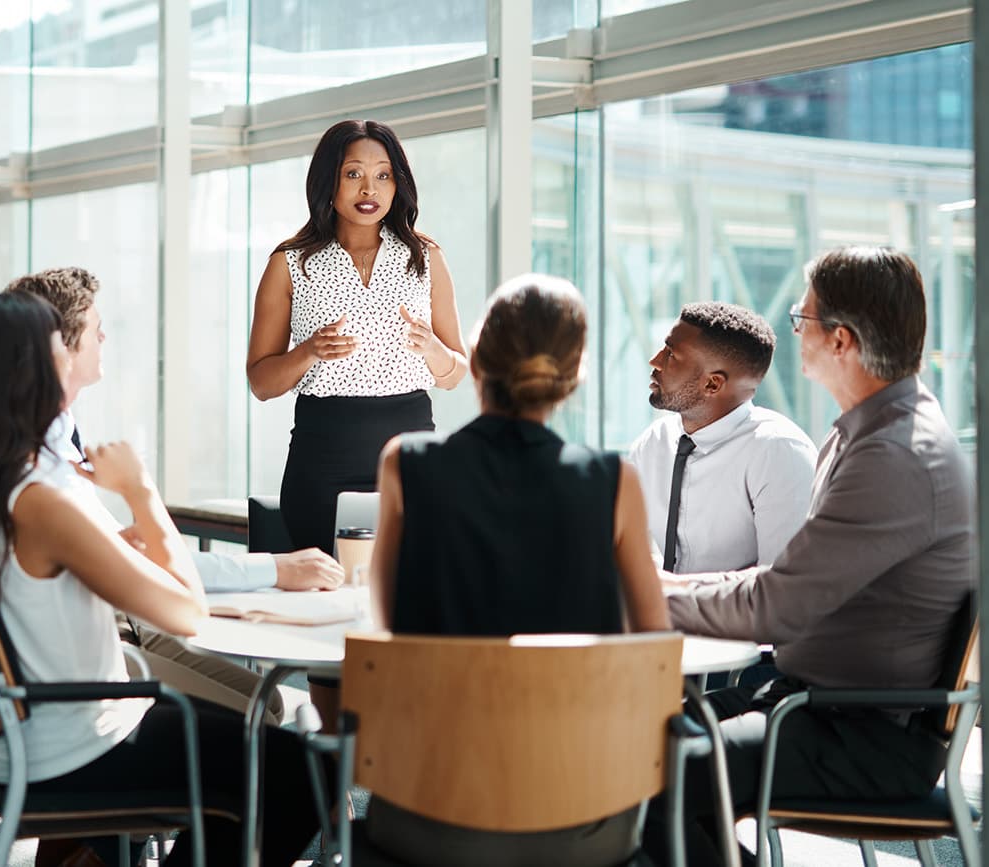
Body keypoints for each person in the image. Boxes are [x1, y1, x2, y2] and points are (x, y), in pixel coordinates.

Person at [0, 290, 321, 867]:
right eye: (56, 351)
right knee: (301, 772)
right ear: (31, 372)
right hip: (82, 746)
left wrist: (118, 545)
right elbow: (185, 614)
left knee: (256, 757)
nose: (67, 360)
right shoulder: (40, 498)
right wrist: (142, 493)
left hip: (35, 736)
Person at [647, 247, 975, 867]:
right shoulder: (870, 433)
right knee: (637, 742)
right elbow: (788, 579)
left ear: (842, 341)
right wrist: (661, 584)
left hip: (858, 732)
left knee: (653, 773)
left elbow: (781, 604)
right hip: (814, 702)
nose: (795, 330)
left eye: (804, 319)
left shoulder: (894, 455)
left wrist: (651, 596)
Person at [364, 274, 671, 867]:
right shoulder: (614, 482)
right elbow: (653, 654)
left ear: (475, 360)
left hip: (425, 815)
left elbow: (382, 629)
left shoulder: (406, 463)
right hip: (585, 822)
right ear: (572, 377)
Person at [5, 268, 344, 723]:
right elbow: (177, 601)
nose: (104, 335)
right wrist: (139, 489)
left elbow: (127, 561)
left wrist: (121, 547)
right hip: (92, 669)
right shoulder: (44, 478)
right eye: (92, 327)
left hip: (98, 637)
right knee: (263, 718)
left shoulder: (47, 449)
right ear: (58, 348)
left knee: (270, 701)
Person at [246, 119, 468, 556]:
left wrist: (432, 349)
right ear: (328, 181)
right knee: (330, 588)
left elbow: (455, 373)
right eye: (354, 174)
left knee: (409, 593)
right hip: (322, 460)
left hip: (411, 459)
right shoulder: (290, 262)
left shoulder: (426, 257)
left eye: (383, 175)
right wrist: (308, 351)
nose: (370, 189)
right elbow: (261, 382)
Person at [628, 302, 816, 573]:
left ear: (712, 384)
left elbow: (784, 588)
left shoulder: (779, 453)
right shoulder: (653, 443)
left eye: (671, 354)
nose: (655, 361)